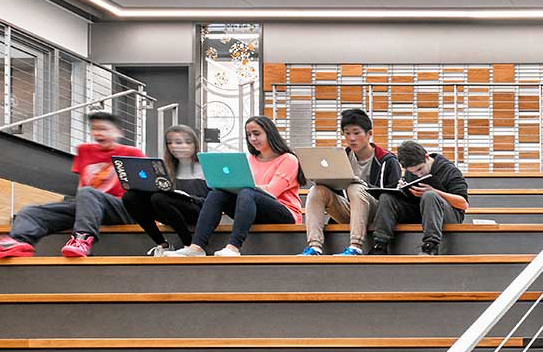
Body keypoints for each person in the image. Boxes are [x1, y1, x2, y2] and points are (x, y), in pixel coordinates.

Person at [0, 109, 144, 260]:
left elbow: (142, 189)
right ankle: (19, 243)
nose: (98, 134)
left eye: (104, 129)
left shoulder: (132, 153)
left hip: (123, 208)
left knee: (88, 193)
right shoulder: (85, 151)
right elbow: (82, 184)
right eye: (94, 129)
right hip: (90, 205)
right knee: (31, 212)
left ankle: (82, 240)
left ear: (119, 132)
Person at [172, 115, 301, 258]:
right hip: (252, 208)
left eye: (256, 134)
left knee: (246, 191)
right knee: (217, 194)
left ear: (270, 133)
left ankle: (233, 247)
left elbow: (272, 191)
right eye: (249, 135)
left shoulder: (288, 159)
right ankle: (197, 247)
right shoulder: (249, 159)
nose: (252, 139)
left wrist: (244, 188)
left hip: (284, 212)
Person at [301, 107, 400, 257]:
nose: (351, 138)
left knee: (355, 188)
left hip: (376, 212)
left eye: (356, 133)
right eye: (347, 133)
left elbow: (392, 197)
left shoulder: (387, 160)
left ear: (369, 134)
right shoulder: (342, 157)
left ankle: (355, 247)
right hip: (349, 210)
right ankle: (314, 247)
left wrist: (361, 185)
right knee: (317, 190)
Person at [368, 141, 469, 256]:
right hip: (420, 211)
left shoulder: (450, 170)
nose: (418, 175)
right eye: (413, 172)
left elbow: (463, 204)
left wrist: (435, 192)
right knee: (386, 197)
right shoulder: (411, 173)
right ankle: (380, 245)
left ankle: (430, 246)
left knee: (429, 195)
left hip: (447, 214)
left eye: (420, 169)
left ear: (426, 156)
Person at [122, 123, 209, 256]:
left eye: (180, 142)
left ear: (193, 144)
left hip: (198, 210)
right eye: (170, 143)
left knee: (160, 198)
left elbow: (214, 201)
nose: (174, 146)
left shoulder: (205, 166)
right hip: (167, 209)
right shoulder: (164, 167)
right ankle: (163, 244)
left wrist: (186, 196)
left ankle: (189, 244)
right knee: (130, 196)